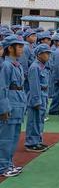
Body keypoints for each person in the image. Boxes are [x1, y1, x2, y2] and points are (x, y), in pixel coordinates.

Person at [0, 35, 28, 178]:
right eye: (19, 46)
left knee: (13, 137)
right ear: (10, 48)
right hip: (10, 104)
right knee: (5, 138)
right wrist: (3, 108)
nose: (22, 49)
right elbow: (2, 87)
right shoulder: (6, 65)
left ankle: (8, 163)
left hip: (17, 103)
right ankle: (3, 166)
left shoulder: (16, 64)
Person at [24, 44, 51, 152]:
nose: (48, 55)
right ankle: (31, 143)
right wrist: (36, 101)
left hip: (43, 95)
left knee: (39, 120)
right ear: (39, 54)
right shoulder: (35, 67)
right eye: (46, 53)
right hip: (37, 96)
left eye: (49, 53)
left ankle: (37, 141)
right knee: (34, 121)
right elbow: (34, 86)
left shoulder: (42, 66)